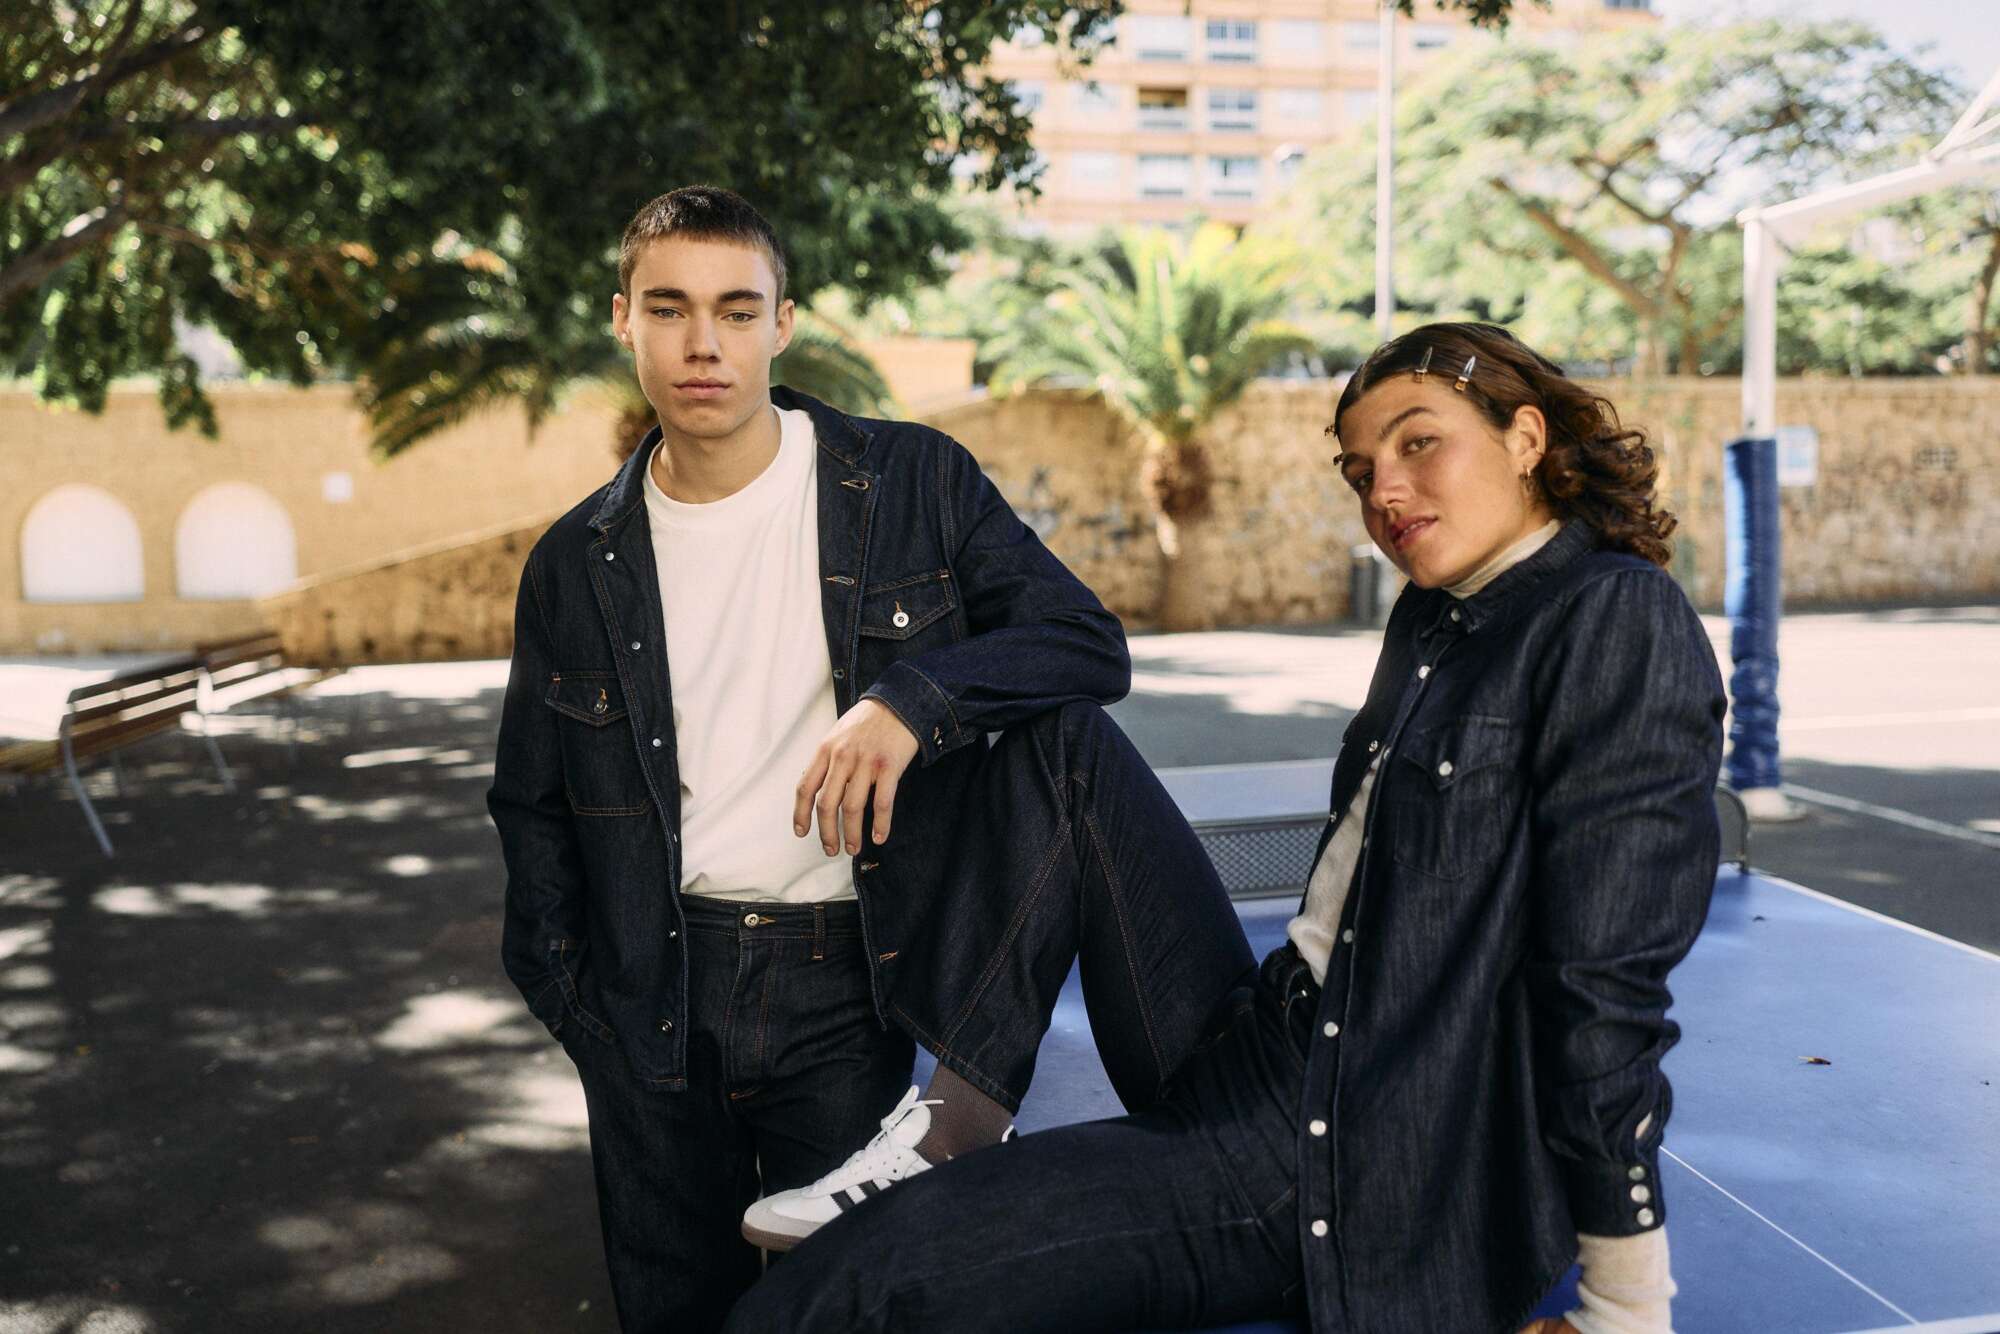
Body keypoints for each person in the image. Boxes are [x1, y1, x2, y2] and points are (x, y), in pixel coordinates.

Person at [721, 321, 1727, 1334]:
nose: (1381, 490)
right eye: (1359, 467)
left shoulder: (1616, 620)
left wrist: (1624, 1309)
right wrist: (909, 694)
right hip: (1259, 1029)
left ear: (1522, 436)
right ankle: (955, 1121)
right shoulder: (1436, 614)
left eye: (1418, 443)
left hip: (1326, 1149)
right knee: (1062, 743)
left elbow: (1602, 989)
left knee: (851, 1282)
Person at [487, 185, 1253, 1333]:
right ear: (623, 321)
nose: (705, 342)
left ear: (782, 325)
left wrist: (914, 698)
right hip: (649, 991)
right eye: (672, 309)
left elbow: (1083, 643)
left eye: (737, 311)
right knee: (674, 1309)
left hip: (841, 979)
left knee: (846, 1307)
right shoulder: (573, 562)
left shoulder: (909, 484)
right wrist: (574, 1001)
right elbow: (530, 801)